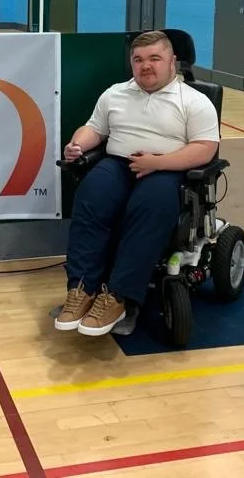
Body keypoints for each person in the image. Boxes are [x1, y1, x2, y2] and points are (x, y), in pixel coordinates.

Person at [55, 31, 220, 336]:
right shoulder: (115, 93)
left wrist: (157, 162)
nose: (146, 66)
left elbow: (205, 148)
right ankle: (81, 288)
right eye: (139, 59)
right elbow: (94, 129)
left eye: (155, 58)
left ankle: (117, 296)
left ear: (172, 61)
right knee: (91, 194)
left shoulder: (195, 102)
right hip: (119, 164)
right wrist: (77, 145)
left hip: (168, 169)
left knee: (149, 206)